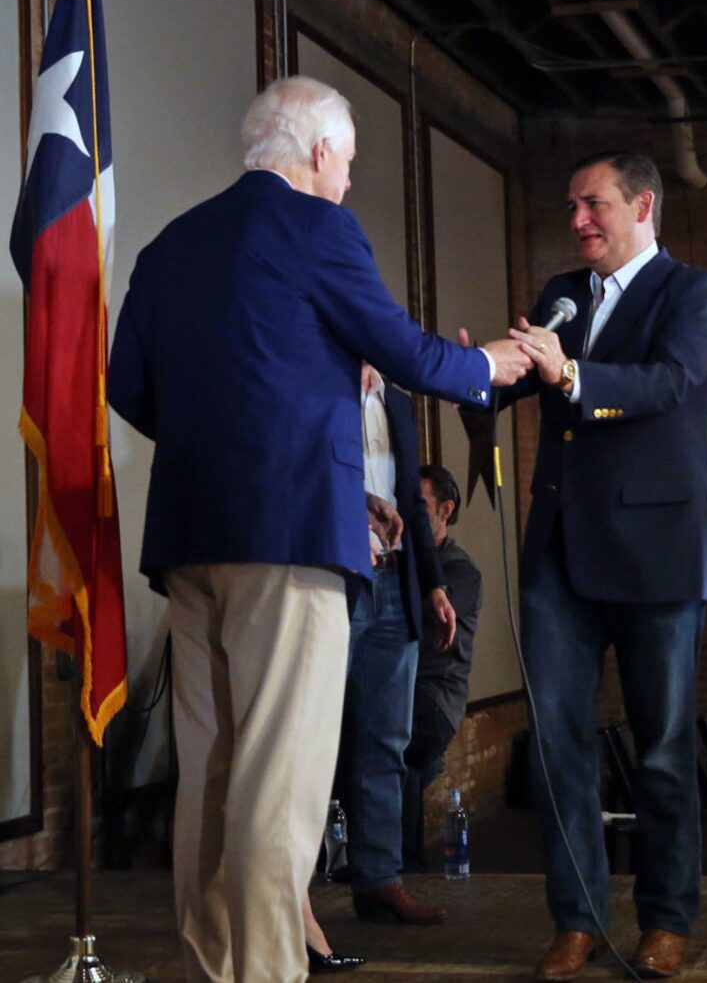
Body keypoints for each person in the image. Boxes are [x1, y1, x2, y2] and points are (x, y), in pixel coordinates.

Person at [107, 75, 532, 983]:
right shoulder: (317, 226)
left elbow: (129, 388)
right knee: (280, 778)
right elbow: (407, 352)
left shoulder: (169, 244)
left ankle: (218, 966)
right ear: (316, 152)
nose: (347, 181)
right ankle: (268, 970)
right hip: (292, 541)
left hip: (189, 537)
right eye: (347, 162)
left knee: (213, 772)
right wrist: (489, 363)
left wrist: (230, 451)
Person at [503, 151, 707, 981]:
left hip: (658, 558)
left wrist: (572, 372)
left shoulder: (700, 292)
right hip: (558, 556)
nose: (577, 222)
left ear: (642, 205)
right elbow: (518, 374)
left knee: (665, 748)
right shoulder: (560, 295)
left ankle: (667, 920)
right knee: (559, 747)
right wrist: (467, 370)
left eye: (592, 205)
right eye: (571, 207)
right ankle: (579, 920)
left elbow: (670, 382)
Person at [339, 364, 453, 925]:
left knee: (388, 739)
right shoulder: (316, 380)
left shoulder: (400, 403)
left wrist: (432, 584)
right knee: (306, 740)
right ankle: (286, 893)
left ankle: (379, 879)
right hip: (334, 578)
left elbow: (412, 499)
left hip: (396, 581)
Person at [402, 464, 482, 870]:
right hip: (404, 689)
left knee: (387, 738)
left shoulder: (459, 570)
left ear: (445, 509)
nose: (408, 512)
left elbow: (417, 619)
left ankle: (401, 869)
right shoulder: (403, 559)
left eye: (420, 504)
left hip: (435, 698)